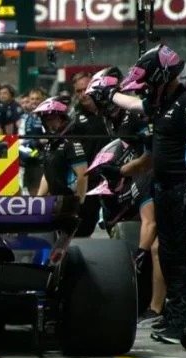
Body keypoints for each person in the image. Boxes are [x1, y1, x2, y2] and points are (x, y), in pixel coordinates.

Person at [96, 44, 186, 345]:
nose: (145, 86)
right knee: (171, 257)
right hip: (163, 189)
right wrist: (120, 172)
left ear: (162, 77)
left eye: (149, 81)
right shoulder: (159, 104)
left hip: (185, 191)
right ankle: (176, 320)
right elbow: (135, 110)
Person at [85, 67, 162, 324]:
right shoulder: (113, 121)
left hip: (156, 175)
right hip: (138, 174)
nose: (94, 104)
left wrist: (122, 170)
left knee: (156, 248)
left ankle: (158, 307)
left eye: (98, 98)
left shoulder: (134, 117)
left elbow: (150, 155)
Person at [70, 72, 112, 237]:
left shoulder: (112, 109)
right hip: (90, 178)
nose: (82, 94)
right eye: (78, 91)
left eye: (85, 89)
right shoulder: (74, 117)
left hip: (116, 175)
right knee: (84, 227)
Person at [33, 96, 88, 202]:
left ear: (62, 118)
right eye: (45, 119)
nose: (49, 123)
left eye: (51, 118)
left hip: (70, 199)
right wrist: (38, 199)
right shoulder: (49, 144)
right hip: (55, 199)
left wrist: (79, 201)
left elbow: (83, 175)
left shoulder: (71, 142)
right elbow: (48, 174)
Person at [21, 88, 47, 196]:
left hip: (42, 158)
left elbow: (48, 137)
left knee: (40, 190)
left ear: (42, 100)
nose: (34, 101)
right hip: (28, 158)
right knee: (30, 188)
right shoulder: (29, 116)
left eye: (37, 99)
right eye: (32, 99)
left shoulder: (46, 116)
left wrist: (38, 142)